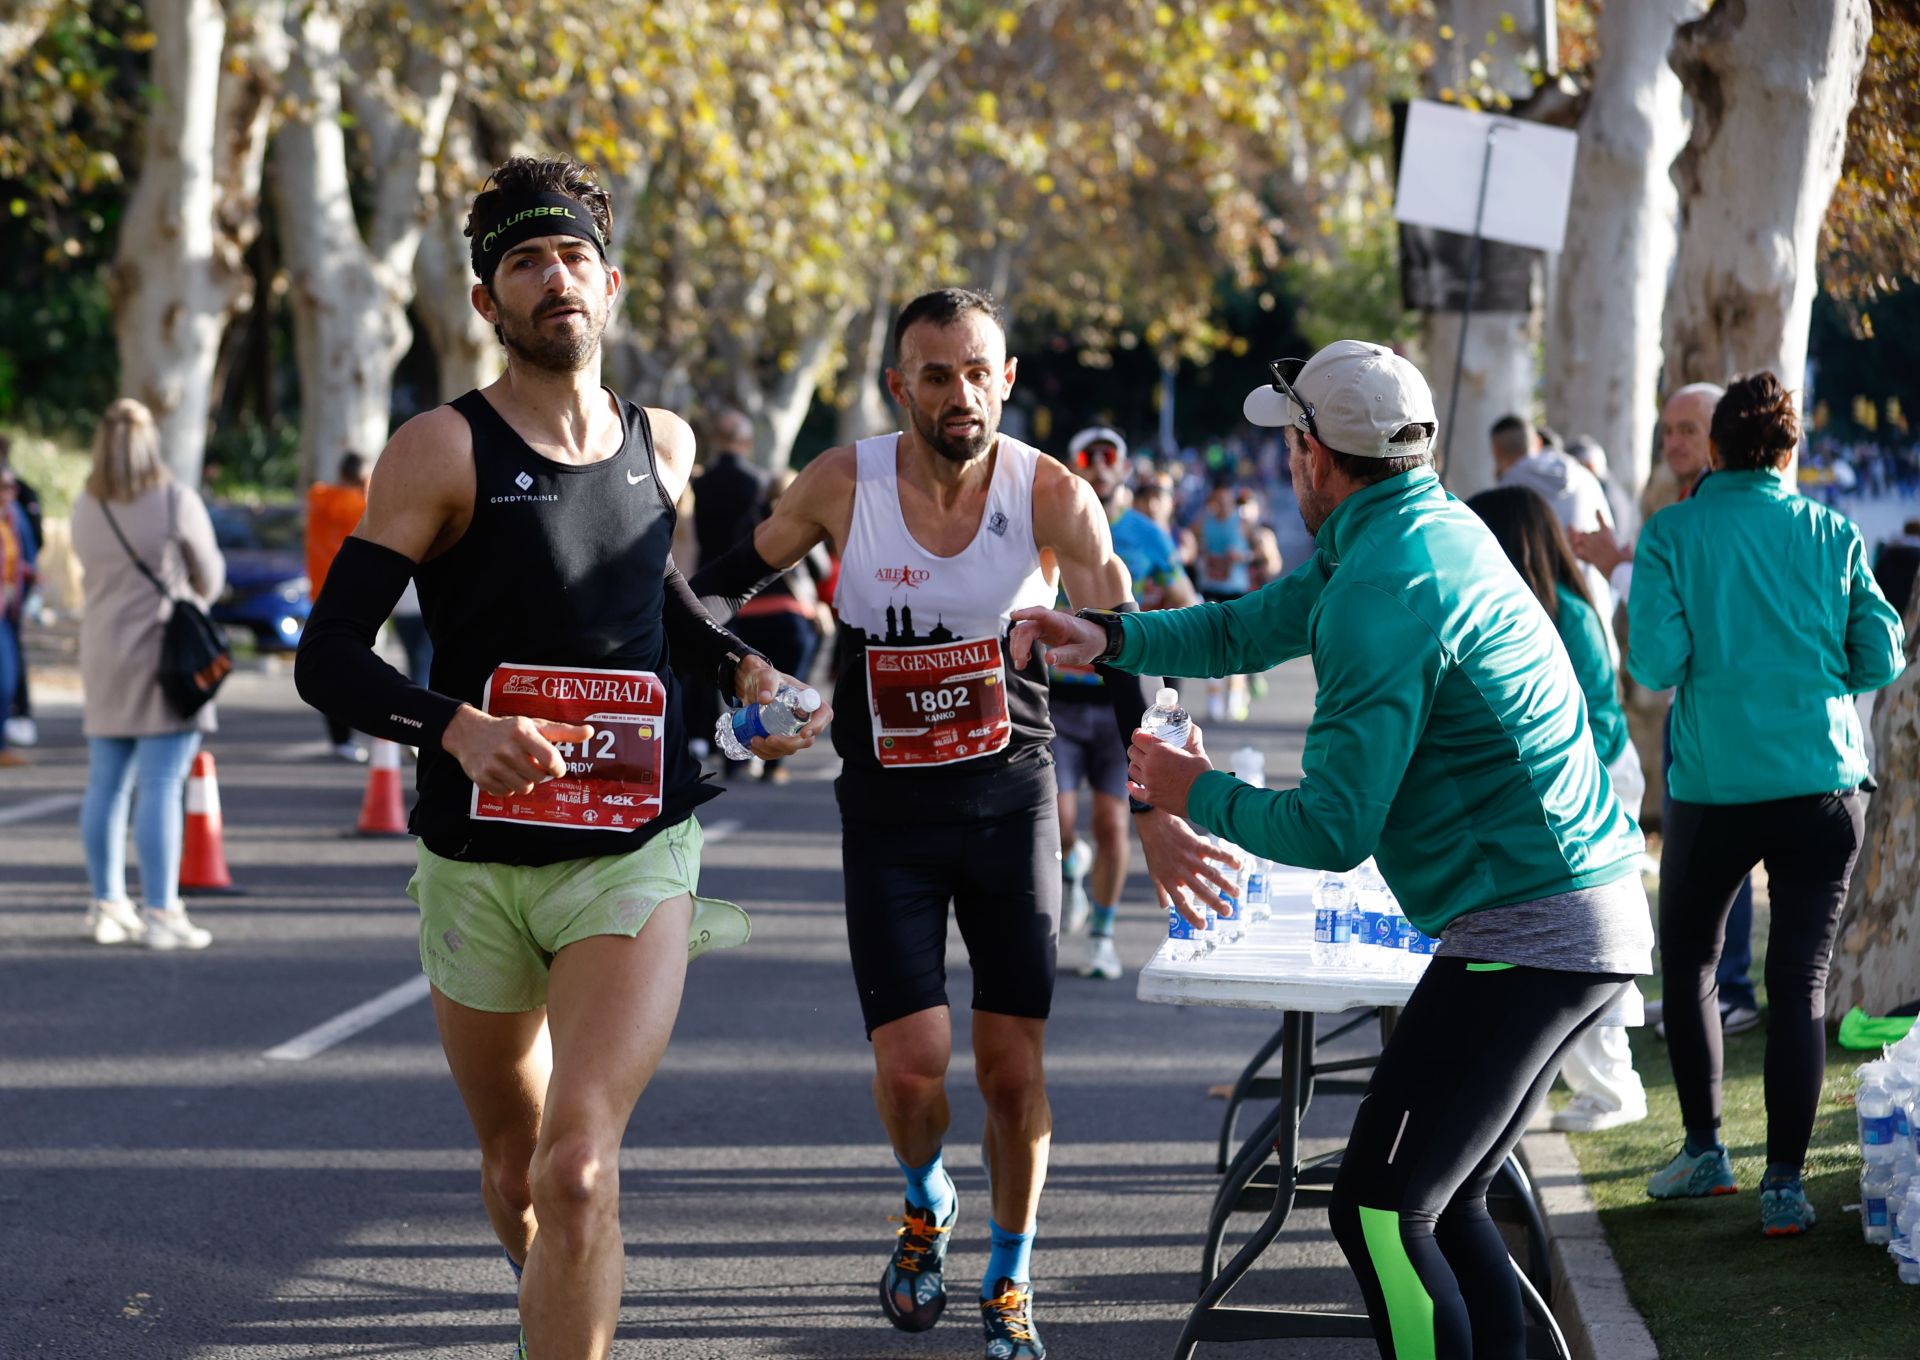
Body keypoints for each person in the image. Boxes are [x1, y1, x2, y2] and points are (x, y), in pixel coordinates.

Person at [1012, 339, 1651, 1360]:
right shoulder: (1411, 527)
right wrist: (1110, 636)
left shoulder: (1385, 583)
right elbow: (1245, 628)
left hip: (1533, 927)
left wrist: (1192, 792)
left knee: (1380, 1211)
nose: (1286, 464)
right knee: (1445, 1202)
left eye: (1291, 444)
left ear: (1314, 455)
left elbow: (1331, 828)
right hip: (1566, 912)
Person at [293, 154, 826, 1360]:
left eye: (573, 257)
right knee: (516, 1169)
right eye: (525, 263)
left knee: (579, 1166)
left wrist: (745, 669)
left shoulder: (666, 444)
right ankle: (555, 1297)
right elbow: (328, 657)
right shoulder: (441, 450)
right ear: (488, 303)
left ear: (612, 283)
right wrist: (458, 726)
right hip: (477, 859)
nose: (554, 279)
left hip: (628, 852)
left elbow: (656, 601)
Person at [691, 288, 1228, 1360]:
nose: (961, 393)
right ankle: (927, 1197)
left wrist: (1156, 801)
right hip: (885, 814)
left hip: (1009, 802)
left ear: (1008, 378)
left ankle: (1012, 1276)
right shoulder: (845, 482)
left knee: (1012, 1071)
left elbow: (1128, 652)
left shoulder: (1052, 495)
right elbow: (706, 596)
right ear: (901, 387)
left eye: (979, 371)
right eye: (936, 374)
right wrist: (743, 687)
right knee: (911, 1069)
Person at [1628, 371, 1904, 1235]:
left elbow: (1656, 663)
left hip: (1716, 785)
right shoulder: (1833, 529)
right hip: (1822, 783)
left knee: (1693, 966)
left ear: (1714, 448)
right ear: (1792, 452)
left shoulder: (1671, 532)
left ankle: (1707, 1149)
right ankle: (1784, 1186)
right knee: (1798, 984)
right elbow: (1879, 658)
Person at [1573, 382, 1763, 1038]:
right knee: (1690, 860)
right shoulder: (1686, 502)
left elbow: (1687, 609)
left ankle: (1728, 990)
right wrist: (1622, 561)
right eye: (1667, 430)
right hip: (1696, 715)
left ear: (1723, 437)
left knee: (1718, 861)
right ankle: (1707, 992)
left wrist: (1621, 565)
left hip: (1725, 719)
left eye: (1688, 429)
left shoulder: (1716, 509)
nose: (1673, 442)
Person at [1468, 485, 1649, 1133]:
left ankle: (1614, 1089)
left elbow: (1594, 722)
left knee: (1584, 950)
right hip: (1566, 791)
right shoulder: (1524, 609)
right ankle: (1582, 1082)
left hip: (1593, 787)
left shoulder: (1564, 615)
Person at [69, 398, 226, 947]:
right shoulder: (174, 500)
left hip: (102, 652)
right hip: (165, 657)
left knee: (105, 785)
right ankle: (162, 911)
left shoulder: (85, 504)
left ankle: (106, 903)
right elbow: (209, 574)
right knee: (162, 783)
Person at [1050, 425, 1197, 980]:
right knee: (1060, 824)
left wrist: (1158, 612)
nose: (1100, 467)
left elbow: (1185, 601)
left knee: (1114, 824)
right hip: (1058, 702)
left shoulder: (1146, 534)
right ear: (1074, 465)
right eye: (1089, 457)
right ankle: (1071, 865)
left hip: (1122, 703)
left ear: (1125, 468)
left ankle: (1103, 936)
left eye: (1110, 457)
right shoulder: (1050, 529)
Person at [727, 469, 833, 783]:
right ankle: (773, 767)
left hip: (748, 616)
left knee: (746, 688)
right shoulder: (803, 523)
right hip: (791, 617)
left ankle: (736, 759)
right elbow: (823, 569)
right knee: (788, 695)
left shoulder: (746, 524)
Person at [1489, 413, 1615, 646]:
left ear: (1496, 451)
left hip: (1543, 625)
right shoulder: (1586, 476)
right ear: (1536, 443)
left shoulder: (1506, 493)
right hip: (1595, 609)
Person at [306, 451, 373, 761]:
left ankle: (339, 737)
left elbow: (317, 488)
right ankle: (347, 734)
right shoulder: (361, 505)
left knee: (333, 663)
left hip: (319, 592)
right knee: (355, 667)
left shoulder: (319, 498)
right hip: (358, 593)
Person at [1189, 479, 1253, 721]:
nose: (1221, 505)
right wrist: (1199, 555)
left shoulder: (1243, 524)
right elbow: (1188, 544)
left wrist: (1243, 556)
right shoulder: (1202, 522)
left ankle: (1235, 696)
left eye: (1225, 500)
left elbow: (1262, 552)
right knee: (1214, 644)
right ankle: (1215, 698)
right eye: (1217, 501)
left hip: (1236, 589)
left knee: (1235, 645)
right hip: (1211, 587)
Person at [0, 434, 41, 747]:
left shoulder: (14, 517)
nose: (9, 492)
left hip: (10, 606)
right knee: (5, 674)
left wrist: (30, 575)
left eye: (11, 486)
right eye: (4, 486)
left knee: (10, 674)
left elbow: (24, 555)